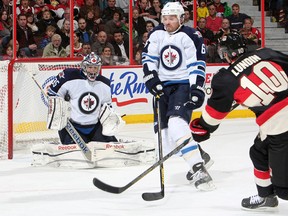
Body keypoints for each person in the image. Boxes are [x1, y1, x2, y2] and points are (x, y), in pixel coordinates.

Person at [189, 32, 288, 210]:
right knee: (258, 152)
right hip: (274, 124)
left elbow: (213, 116)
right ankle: (266, 196)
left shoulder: (226, 79)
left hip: (280, 125)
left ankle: (272, 194)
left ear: (225, 53)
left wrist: (202, 128)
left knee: (284, 190)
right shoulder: (265, 53)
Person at [142, 2, 215, 191]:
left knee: (176, 124)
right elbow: (149, 59)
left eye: (172, 18)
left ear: (181, 18)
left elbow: (196, 64)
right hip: (161, 88)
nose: (167, 22)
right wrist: (152, 80)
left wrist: (197, 88)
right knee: (166, 142)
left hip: (182, 86)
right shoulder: (156, 34)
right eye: (165, 18)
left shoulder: (191, 35)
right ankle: (200, 154)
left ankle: (199, 170)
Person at [47, 52, 119, 144]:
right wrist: (61, 104)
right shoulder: (69, 76)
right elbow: (52, 94)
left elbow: (107, 107)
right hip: (73, 127)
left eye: (95, 67)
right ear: (84, 67)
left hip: (95, 127)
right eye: (90, 67)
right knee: (75, 152)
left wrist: (110, 119)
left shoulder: (105, 84)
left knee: (111, 147)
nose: (92, 71)